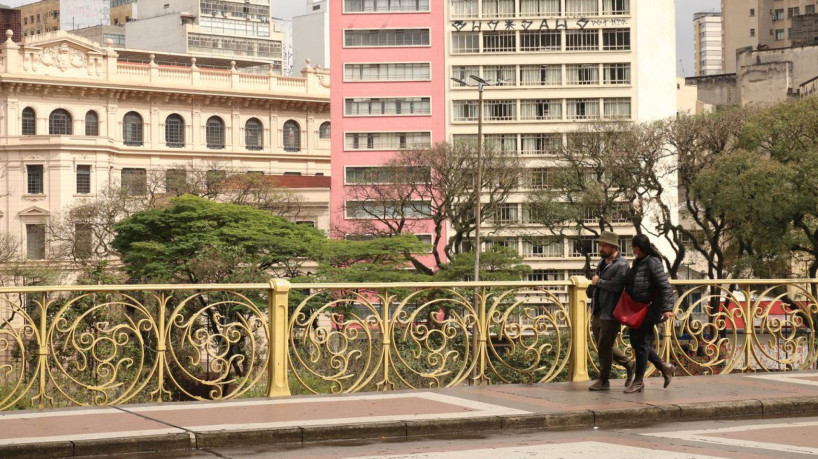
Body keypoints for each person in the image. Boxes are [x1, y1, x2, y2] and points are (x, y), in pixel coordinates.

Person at [623, 234, 676, 394]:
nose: (632, 250)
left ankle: (639, 381)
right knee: (638, 343)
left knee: (641, 345)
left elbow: (665, 287)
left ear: (637, 247)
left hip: (648, 310)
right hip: (636, 309)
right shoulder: (638, 262)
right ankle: (664, 367)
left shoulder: (653, 263)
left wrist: (667, 308)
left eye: (633, 247)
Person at [588, 231, 634, 391]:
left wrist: (599, 282)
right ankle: (629, 364)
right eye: (600, 245)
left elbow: (617, 286)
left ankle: (604, 379)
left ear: (614, 247)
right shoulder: (602, 262)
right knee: (603, 346)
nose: (601, 248)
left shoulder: (622, 265)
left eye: (604, 245)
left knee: (604, 346)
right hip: (598, 310)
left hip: (612, 311)